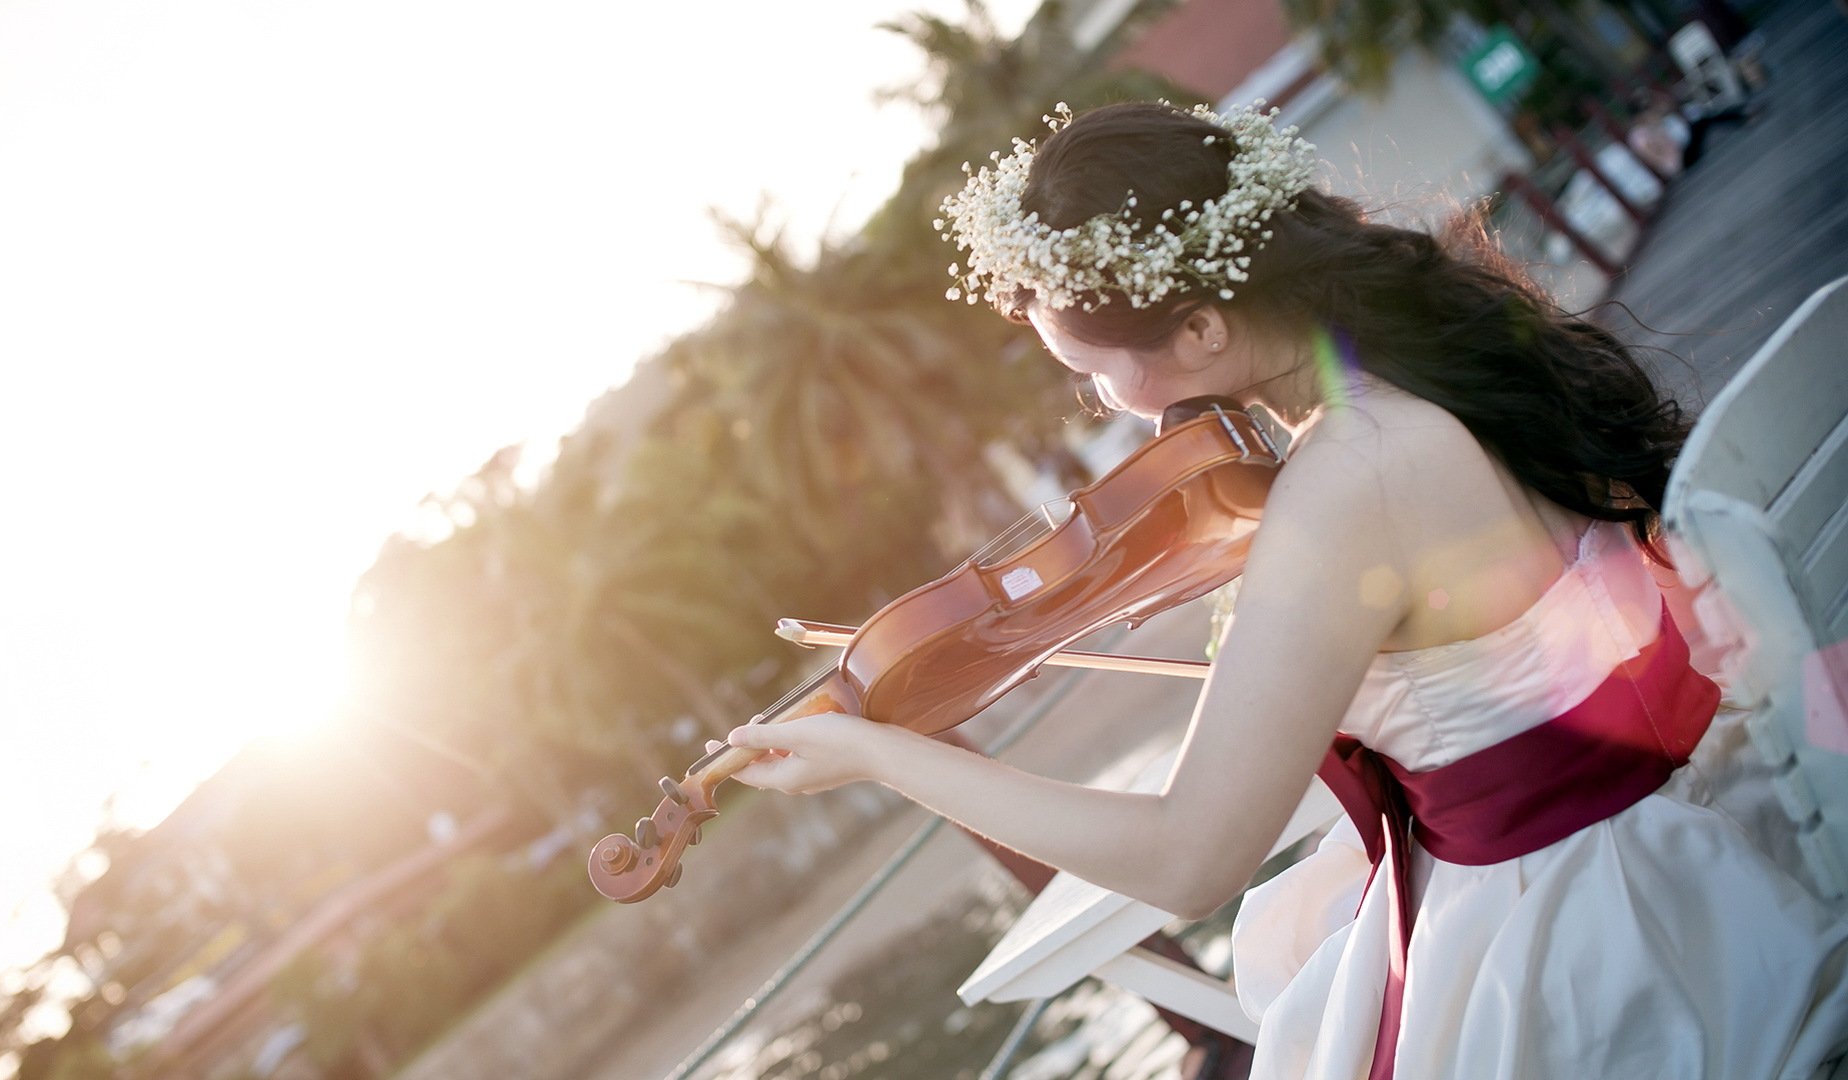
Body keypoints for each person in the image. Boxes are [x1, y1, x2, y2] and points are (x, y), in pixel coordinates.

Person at [715, 101, 1848, 1077]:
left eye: (1099, 370)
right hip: (1709, 812)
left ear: (1204, 328)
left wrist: (876, 752)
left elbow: (1190, 859)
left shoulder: (1346, 477)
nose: (1108, 405)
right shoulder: (1447, 352)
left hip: (1593, 936)